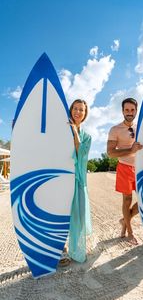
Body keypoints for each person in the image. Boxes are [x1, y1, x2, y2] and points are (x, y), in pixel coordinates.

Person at [107, 98, 143, 245]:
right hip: (124, 168)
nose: (130, 112)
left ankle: (124, 220)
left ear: (136, 111)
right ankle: (130, 232)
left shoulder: (141, 127)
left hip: (141, 169)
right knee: (127, 200)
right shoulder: (115, 129)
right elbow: (110, 153)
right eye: (127, 110)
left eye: (132, 110)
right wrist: (130, 150)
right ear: (122, 111)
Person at [60, 99, 92, 266]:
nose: (78, 112)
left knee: (78, 215)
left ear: (85, 114)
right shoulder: (61, 130)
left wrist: (75, 132)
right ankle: (61, 248)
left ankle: (76, 248)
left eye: (81, 110)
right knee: (61, 212)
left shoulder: (87, 136)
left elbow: (81, 153)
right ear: (70, 109)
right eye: (75, 108)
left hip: (77, 179)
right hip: (61, 176)